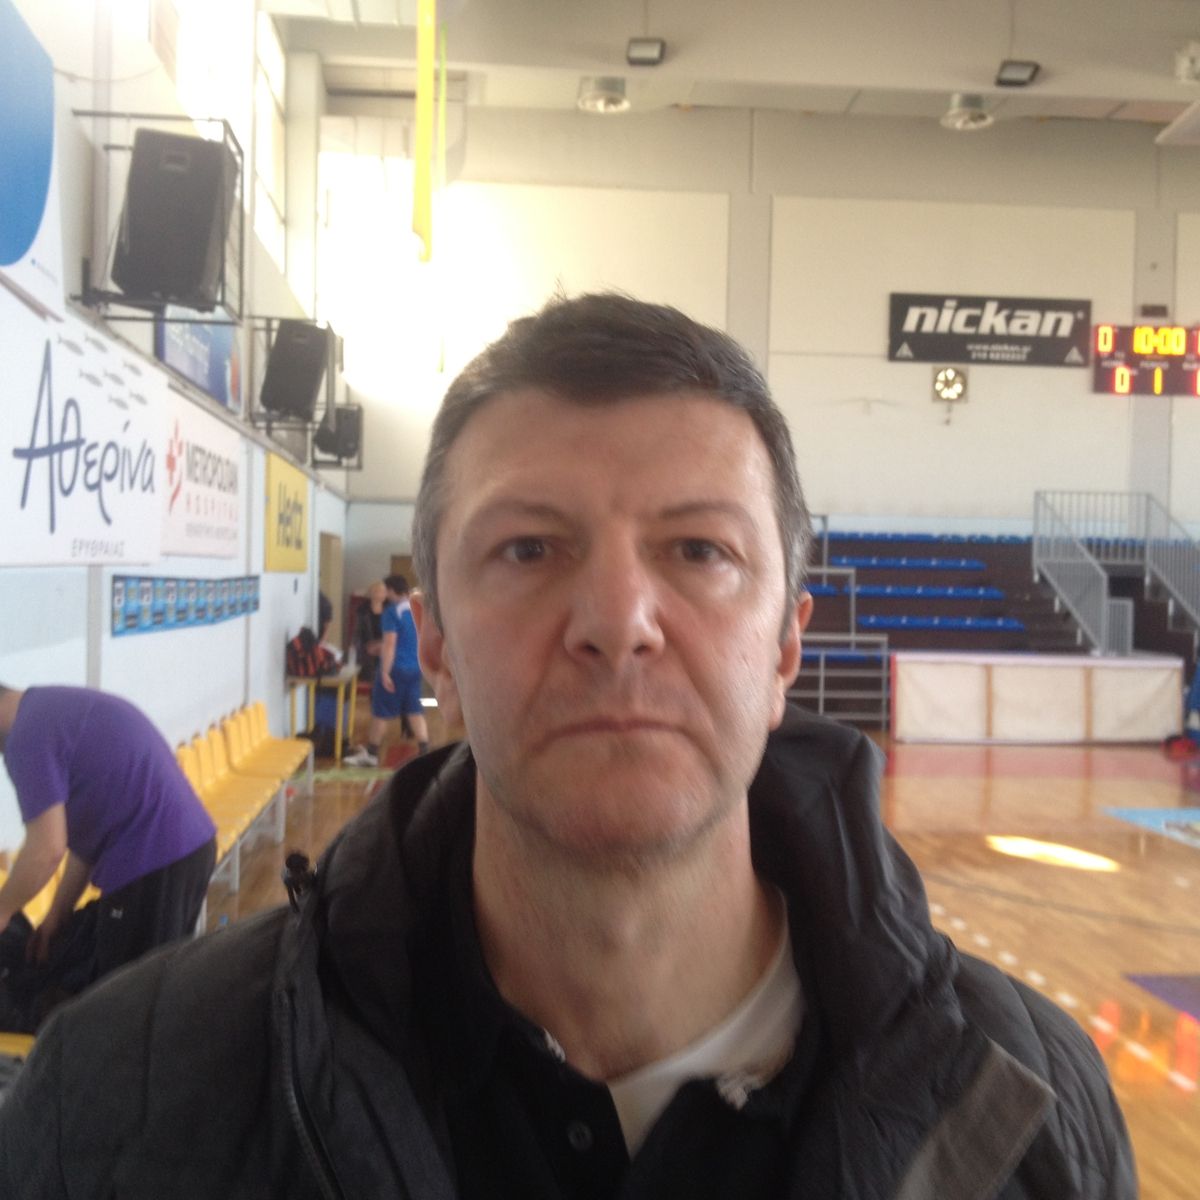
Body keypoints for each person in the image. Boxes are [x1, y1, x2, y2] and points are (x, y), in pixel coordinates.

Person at [0, 294, 1134, 1197]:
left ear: (788, 645)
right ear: (438, 644)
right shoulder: (119, 1095)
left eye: (699, 550)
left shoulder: (1031, 1114)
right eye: (531, 550)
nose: (617, 621)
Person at [0, 685, 216, 1024]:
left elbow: (46, 850)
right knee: (154, 992)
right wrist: (58, 913)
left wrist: (2, 910)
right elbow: (85, 842)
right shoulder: (48, 709)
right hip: (184, 849)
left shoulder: (26, 738)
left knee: (126, 1010)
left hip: (154, 857)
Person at [344, 574, 429, 766]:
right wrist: (381, 646)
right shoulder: (417, 609)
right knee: (414, 711)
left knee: (380, 712)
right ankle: (425, 751)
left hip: (395, 669)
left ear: (391, 590)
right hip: (415, 668)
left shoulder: (391, 612)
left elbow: (391, 644)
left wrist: (384, 672)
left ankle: (372, 754)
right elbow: (408, 639)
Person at [352, 579, 388, 683]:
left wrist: (382, 644)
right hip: (367, 648)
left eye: (384, 591)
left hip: (385, 647)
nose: (382, 594)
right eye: (379, 591)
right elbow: (357, 632)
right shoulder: (362, 610)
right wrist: (365, 647)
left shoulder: (389, 609)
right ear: (372, 593)